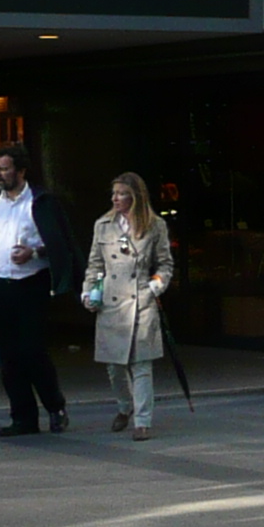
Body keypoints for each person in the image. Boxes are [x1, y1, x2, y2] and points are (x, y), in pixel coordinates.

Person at [0, 147, 76, 437]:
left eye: (4, 168)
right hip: (0, 285)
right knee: (9, 355)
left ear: (21, 171)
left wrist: (35, 252)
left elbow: (62, 244)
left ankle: (55, 406)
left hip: (32, 284)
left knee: (32, 350)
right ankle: (23, 417)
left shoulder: (41, 202)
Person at [82, 171, 175, 440]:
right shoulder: (103, 225)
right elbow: (95, 264)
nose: (116, 198)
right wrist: (89, 292)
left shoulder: (155, 225)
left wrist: (154, 287)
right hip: (111, 301)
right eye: (114, 194)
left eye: (122, 193)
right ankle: (126, 407)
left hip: (141, 301)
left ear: (135, 196)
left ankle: (143, 421)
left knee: (142, 364)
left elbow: (165, 264)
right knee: (115, 365)